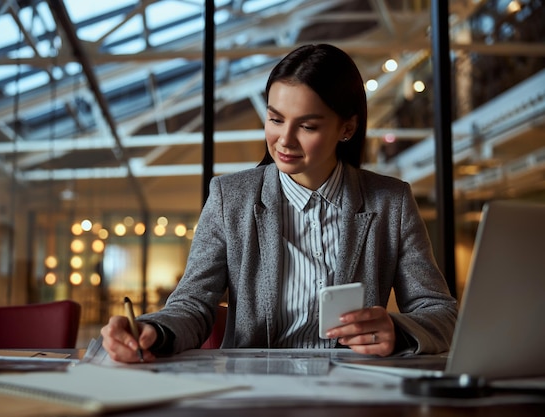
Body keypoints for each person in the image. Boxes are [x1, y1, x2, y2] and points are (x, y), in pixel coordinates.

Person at [101, 44, 458, 363]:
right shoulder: (230, 199)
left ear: (346, 128)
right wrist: (154, 332)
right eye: (275, 119)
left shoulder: (390, 202)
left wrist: (397, 329)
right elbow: (193, 303)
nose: (284, 140)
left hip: (354, 389)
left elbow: (441, 313)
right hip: (255, 386)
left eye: (307, 126)